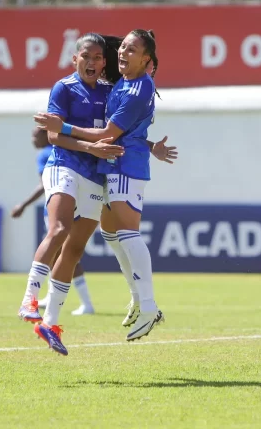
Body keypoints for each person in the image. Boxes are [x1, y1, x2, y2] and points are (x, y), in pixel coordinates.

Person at [35, 29, 168, 343]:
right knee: (111, 233)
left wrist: (62, 127)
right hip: (113, 164)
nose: (122, 52)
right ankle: (138, 298)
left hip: (124, 164)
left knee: (126, 232)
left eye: (132, 49)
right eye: (122, 47)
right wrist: (152, 145)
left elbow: (109, 133)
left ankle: (149, 306)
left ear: (147, 60)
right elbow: (128, 131)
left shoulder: (138, 88)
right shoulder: (124, 83)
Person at [11, 127, 96, 316]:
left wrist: (23, 205)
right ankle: (58, 297)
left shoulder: (46, 154)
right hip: (76, 207)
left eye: (35, 135)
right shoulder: (68, 150)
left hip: (55, 210)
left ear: (46, 134)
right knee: (63, 255)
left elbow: (43, 185)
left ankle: (86, 303)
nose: (32, 139)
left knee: (59, 253)